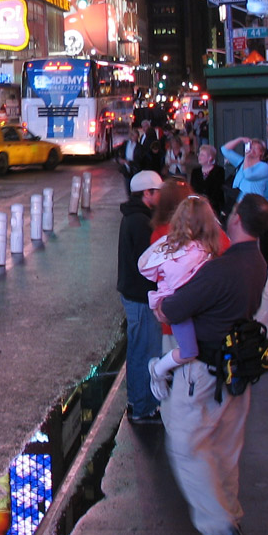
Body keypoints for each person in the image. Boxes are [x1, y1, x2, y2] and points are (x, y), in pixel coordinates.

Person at [154, 194, 268, 535]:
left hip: (203, 374)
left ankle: (221, 532)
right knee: (224, 448)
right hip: (236, 370)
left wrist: (162, 304)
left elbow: (173, 308)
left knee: (188, 448)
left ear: (236, 219)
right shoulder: (257, 262)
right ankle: (229, 516)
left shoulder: (219, 270)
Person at [139, 194, 226, 364]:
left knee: (187, 352)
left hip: (175, 311)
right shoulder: (196, 252)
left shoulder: (171, 245)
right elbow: (180, 284)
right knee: (189, 352)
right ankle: (157, 370)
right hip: (180, 312)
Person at [118, 169, 164, 424]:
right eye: (156, 192)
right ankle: (143, 408)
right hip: (141, 295)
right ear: (147, 193)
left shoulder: (132, 217)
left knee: (137, 350)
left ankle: (137, 402)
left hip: (132, 293)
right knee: (145, 352)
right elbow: (150, 263)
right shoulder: (141, 222)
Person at [221, 137, 268, 262]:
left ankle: (267, 264)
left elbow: (249, 175)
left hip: (260, 205)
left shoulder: (264, 168)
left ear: (262, 152)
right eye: (250, 147)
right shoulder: (242, 162)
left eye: (255, 148)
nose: (252, 151)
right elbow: (224, 150)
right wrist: (239, 140)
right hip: (242, 203)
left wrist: (247, 158)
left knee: (264, 240)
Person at [190, 143, 226, 219]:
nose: (199, 157)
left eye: (202, 155)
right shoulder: (195, 172)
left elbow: (217, 190)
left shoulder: (219, 171)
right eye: (199, 154)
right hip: (197, 207)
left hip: (213, 208)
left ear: (210, 158)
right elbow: (192, 189)